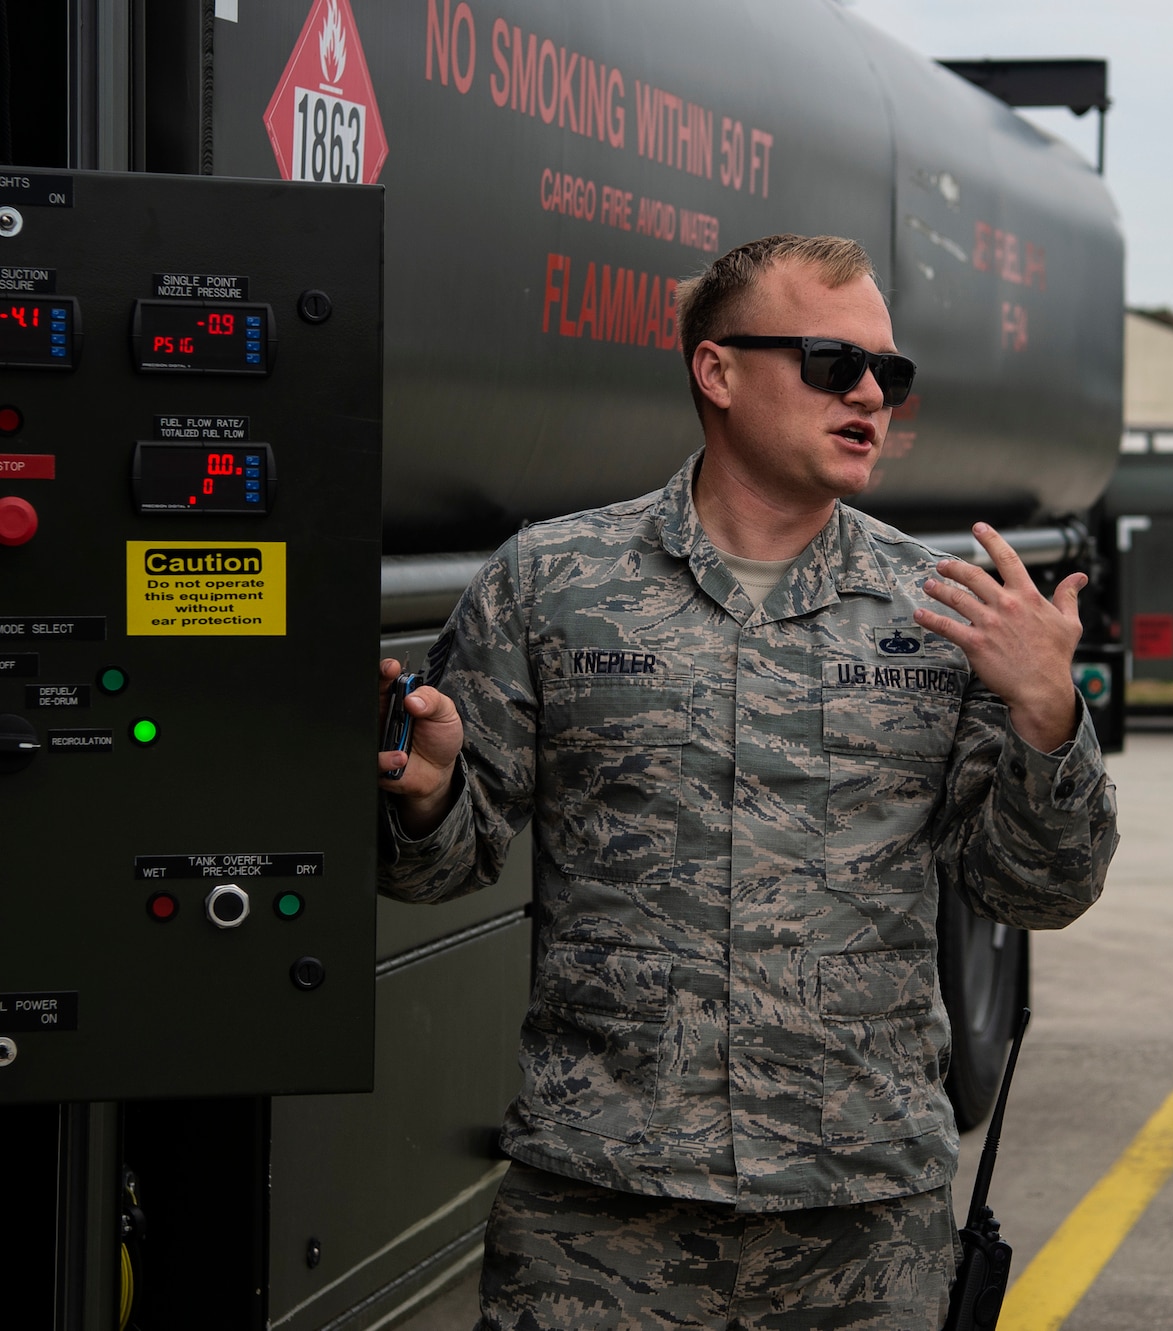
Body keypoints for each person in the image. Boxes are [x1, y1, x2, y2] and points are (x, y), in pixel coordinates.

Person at [374, 233, 1118, 1330]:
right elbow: (444, 865)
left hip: (861, 1218)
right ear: (715, 372)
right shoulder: (551, 582)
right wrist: (430, 792)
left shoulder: (944, 610)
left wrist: (1050, 717)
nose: (870, 394)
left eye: (888, 373)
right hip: (601, 1213)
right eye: (832, 362)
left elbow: (1039, 892)